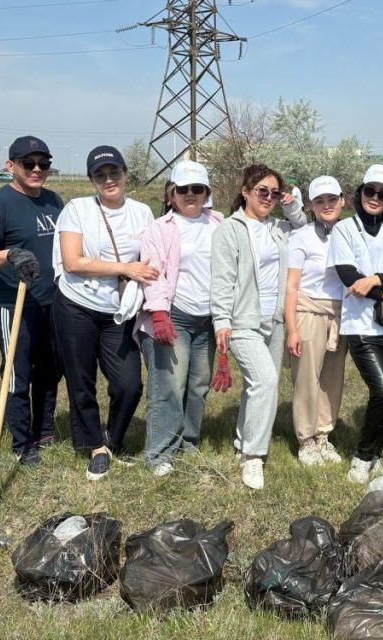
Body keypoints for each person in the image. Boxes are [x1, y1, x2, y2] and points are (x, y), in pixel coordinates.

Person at [52, 145, 157, 481]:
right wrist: (125, 267)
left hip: (119, 310)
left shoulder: (142, 212)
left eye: (115, 172)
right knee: (81, 379)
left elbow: (152, 260)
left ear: (126, 173)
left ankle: (113, 438)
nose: (109, 180)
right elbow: (73, 262)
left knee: (128, 383)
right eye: (101, 175)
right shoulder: (77, 210)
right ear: (91, 180)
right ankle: (95, 445)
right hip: (76, 305)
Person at [211, 164, 306, 489]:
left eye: (274, 193)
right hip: (243, 321)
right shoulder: (230, 229)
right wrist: (221, 320)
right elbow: (222, 278)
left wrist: (290, 203)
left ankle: (241, 443)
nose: (268, 198)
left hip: (275, 319)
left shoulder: (278, 227)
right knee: (265, 381)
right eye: (261, 191)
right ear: (245, 191)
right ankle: (253, 457)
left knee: (260, 385)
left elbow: (303, 223)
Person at [0, 136, 63, 466]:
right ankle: (22, 443)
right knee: (16, 374)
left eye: (44, 164)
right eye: (29, 163)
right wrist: (10, 254)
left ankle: (45, 429)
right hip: (14, 304)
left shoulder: (54, 201)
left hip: (52, 303)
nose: (37, 169)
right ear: (11, 166)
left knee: (50, 372)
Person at [328, 165, 383, 483]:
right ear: (361, 192)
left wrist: (377, 281)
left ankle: (375, 454)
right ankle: (362, 457)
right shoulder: (344, 230)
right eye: (370, 191)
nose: (375, 198)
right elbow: (349, 279)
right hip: (361, 326)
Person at [136, 161, 223, 477]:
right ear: (171, 194)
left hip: (207, 319)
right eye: (183, 190)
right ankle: (160, 453)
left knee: (198, 385)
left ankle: (188, 442)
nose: (190, 195)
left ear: (206, 193)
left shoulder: (219, 223)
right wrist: (159, 314)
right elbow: (153, 272)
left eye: (197, 189)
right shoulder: (160, 228)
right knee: (169, 385)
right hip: (176, 316)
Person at [285, 176, 349, 466]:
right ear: (310, 206)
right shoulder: (302, 237)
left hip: (341, 314)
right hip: (309, 311)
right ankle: (306, 439)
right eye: (320, 201)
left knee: (331, 380)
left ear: (342, 201)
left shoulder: (351, 233)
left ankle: (324, 434)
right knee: (307, 379)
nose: (327, 205)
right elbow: (291, 286)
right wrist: (292, 328)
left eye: (331, 200)